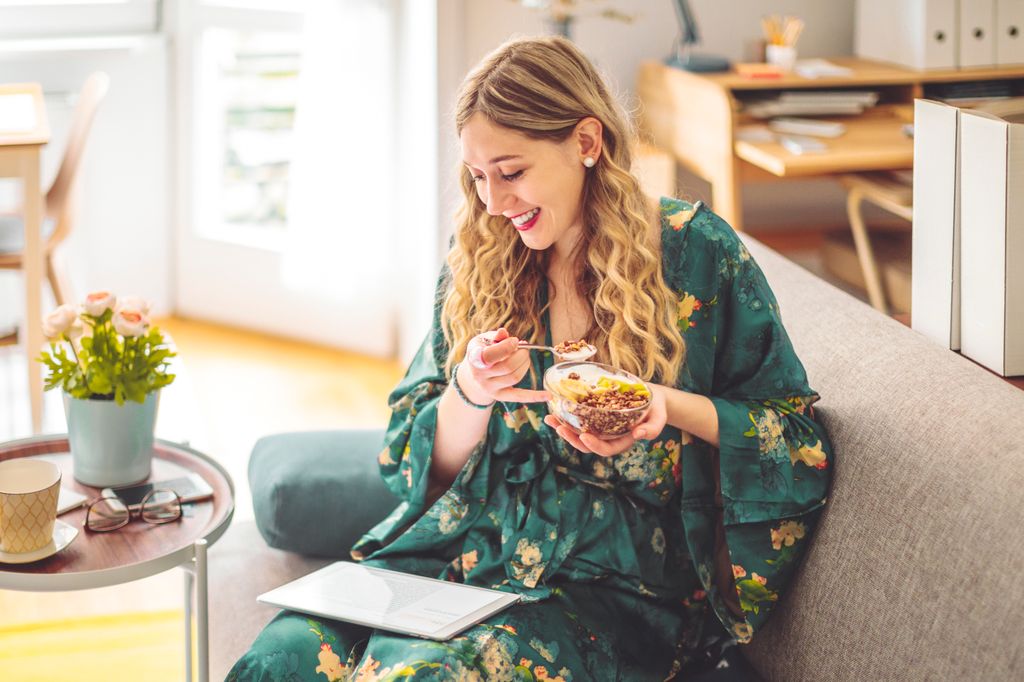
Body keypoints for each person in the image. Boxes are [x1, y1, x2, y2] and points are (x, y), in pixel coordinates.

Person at [228, 35, 832, 681]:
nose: (492, 202)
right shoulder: (483, 257)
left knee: (417, 674)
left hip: (602, 593)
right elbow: (413, 467)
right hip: (460, 555)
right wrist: (470, 391)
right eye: (477, 177)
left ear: (586, 143)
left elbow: (794, 441)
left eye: (511, 172)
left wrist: (663, 406)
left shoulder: (695, 254)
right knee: (278, 663)